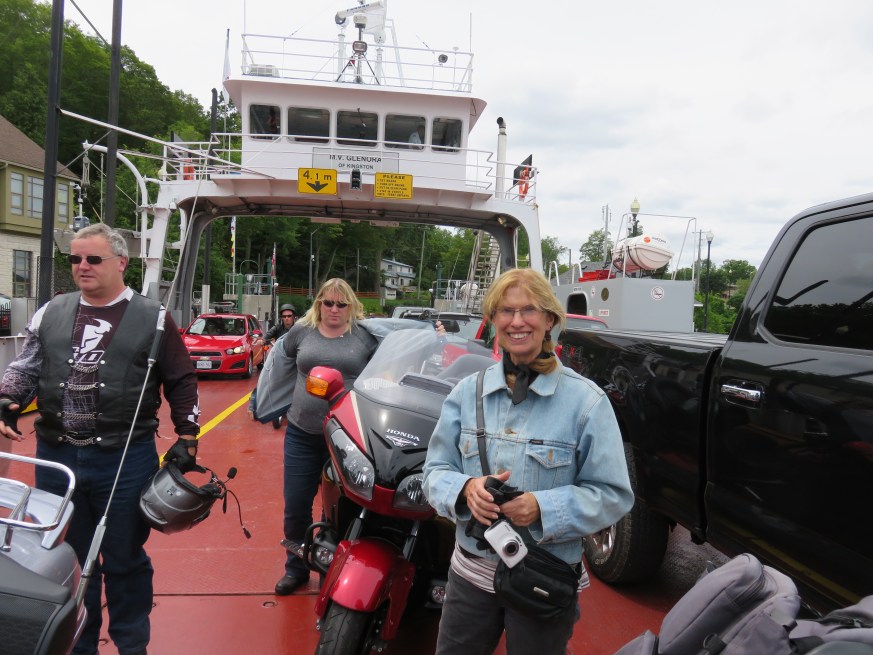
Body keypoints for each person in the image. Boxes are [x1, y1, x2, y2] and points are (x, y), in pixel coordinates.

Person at [0, 223, 200, 655]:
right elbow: (27, 365)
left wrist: (188, 436)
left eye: (93, 258)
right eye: (75, 259)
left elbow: (181, 379)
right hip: (57, 458)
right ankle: (80, 645)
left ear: (121, 262)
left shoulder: (153, 318)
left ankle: (132, 644)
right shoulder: (51, 311)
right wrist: (8, 398)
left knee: (125, 557)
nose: (82, 266)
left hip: (124, 458)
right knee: (69, 557)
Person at [422, 268, 634, 655]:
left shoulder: (586, 403)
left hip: (543, 577)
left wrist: (542, 507)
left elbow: (613, 494)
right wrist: (466, 488)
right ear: (494, 321)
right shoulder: (466, 394)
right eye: (505, 311)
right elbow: (434, 471)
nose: (517, 321)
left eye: (529, 310)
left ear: (549, 320)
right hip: (470, 574)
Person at [274, 278, 379, 595]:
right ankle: (295, 568)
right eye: (328, 302)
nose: (334, 309)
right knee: (296, 506)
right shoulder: (301, 331)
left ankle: (328, 571)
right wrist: (270, 401)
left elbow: (392, 359)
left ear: (351, 306)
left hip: (346, 441)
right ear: (319, 303)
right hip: (302, 433)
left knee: (335, 511)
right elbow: (280, 361)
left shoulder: (364, 337)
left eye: (341, 304)